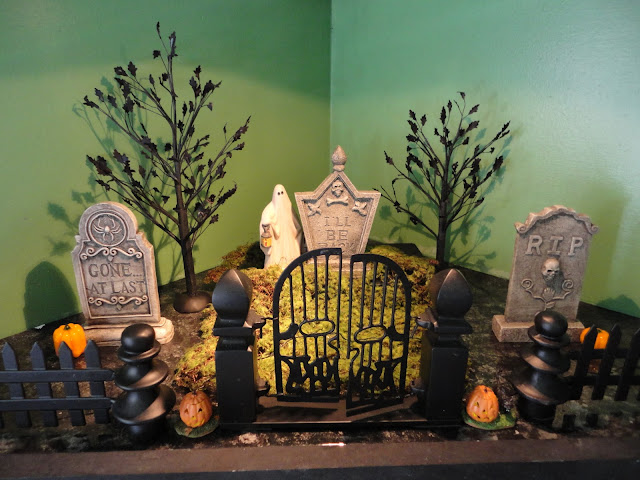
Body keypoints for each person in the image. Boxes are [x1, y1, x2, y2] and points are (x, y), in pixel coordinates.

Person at [259, 184, 302, 268]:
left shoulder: (289, 207)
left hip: (289, 239)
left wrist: (295, 231)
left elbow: (297, 225)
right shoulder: (269, 209)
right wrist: (271, 223)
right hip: (276, 241)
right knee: (276, 257)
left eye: (282, 193)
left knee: (290, 256)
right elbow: (265, 222)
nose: (280, 196)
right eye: (278, 194)